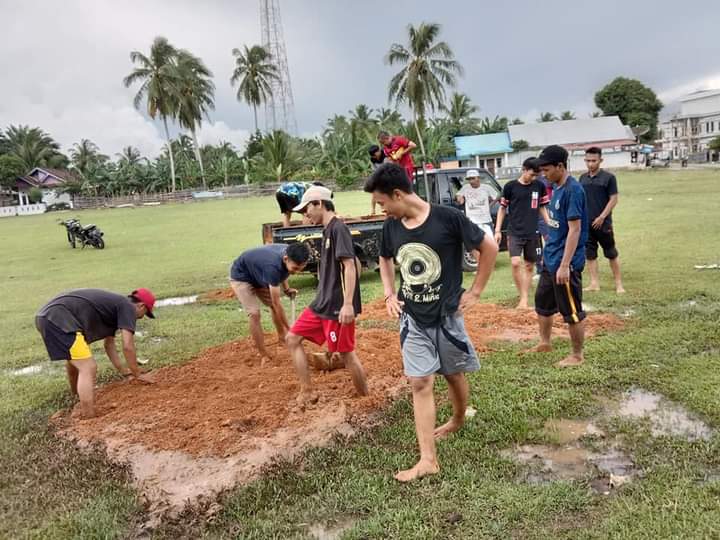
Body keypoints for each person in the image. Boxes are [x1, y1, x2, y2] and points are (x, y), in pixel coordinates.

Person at [366, 163, 498, 482]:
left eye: (382, 203)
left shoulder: (447, 218)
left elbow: (489, 246)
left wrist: (477, 290)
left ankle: (457, 418)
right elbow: (384, 258)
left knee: (453, 374)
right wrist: (387, 293)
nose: (381, 209)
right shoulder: (392, 227)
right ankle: (427, 459)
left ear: (398, 195)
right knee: (420, 382)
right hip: (412, 317)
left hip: (447, 316)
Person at [285, 185, 369, 405]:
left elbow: (350, 266)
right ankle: (307, 391)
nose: (305, 215)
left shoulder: (338, 228)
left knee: (347, 355)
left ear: (319, 204)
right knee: (292, 338)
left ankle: (366, 399)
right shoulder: (327, 229)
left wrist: (348, 304)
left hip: (336, 307)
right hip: (321, 304)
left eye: (307, 210)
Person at [35, 288, 156, 418]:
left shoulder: (116, 307)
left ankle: (76, 396)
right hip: (58, 318)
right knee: (88, 367)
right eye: (144, 313)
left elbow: (109, 345)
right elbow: (127, 346)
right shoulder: (127, 307)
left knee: (75, 360)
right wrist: (137, 374)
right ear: (141, 306)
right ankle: (89, 416)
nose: (141, 317)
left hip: (47, 316)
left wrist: (123, 370)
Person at [525, 145, 589, 367]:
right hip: (550, 260)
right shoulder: (556, 188)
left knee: (571, 310)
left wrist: (565, 265)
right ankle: (545, 342)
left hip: (565, 263)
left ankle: (577, 355)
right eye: (541, 171)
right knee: (542, 303)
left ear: (560, 166)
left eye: (547, 170)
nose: (544, 174)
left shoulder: (573, 190)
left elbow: (575, 230)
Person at [229, 243, 311, 364]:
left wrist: (287, 289)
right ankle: (263, 355)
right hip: (242, 276)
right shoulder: (272, 267)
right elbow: (277, 302)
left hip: (260, 274)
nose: (296, 272)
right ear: (285, 258)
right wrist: (291, 329)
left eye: (300, 269)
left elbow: (283, 272)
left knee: (273, 306)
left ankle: (283, 339)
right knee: (254, 314)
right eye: (295, 268)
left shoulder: (291, 252)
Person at [494, 158, 550, 309]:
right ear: (524, 169)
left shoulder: (539, 186)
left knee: (530, 266)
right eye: (532, 174)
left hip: (533, 232)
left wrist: (549, 222)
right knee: (515, 262)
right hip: (515, 232)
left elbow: (542, 207)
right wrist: (498, 230)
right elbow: (502, 208)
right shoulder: (510, 186)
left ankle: (524, 299)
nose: (534, 178)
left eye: (536, 175)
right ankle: (523, 296)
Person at [579, 147, 625, 293]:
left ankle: (619, 284)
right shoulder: (582, 178)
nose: (590, 164)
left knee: (611, 252)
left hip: (603, 224)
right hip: (587, 224)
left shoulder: (609, 178)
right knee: (590, 254)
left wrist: (602, 217)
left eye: (594, 161)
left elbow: (614, 199)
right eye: (588, 161)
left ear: (600, 160)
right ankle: (594, 283)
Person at [455, 169, 495, 236]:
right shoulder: (465, 188)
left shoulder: (487, 188)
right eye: (469, 179)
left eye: (473, 178)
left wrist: (490, 205)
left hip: (485, 221)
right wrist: (459, 197)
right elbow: (458, 195)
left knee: (490, 242)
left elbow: (496, 197)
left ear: (478, 178)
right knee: (473, 243)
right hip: (472, 222)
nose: (471, 181)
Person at [368, 145, 386, 214]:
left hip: (387, 175)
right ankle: (373, 210)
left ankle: (384, 208)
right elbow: (374, 170)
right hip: (378, 175)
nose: (375, 157)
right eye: (373, 156)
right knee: (374, 193)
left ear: (378, 151)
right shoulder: (372, 159)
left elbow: (386, 167)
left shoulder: (385, 154)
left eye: (375, 155)